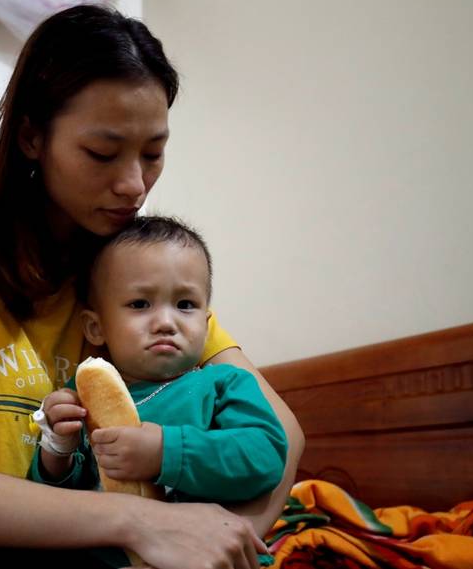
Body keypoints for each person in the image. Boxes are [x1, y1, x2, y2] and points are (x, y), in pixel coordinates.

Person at [0, 3, 304, 569]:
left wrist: (215, 544)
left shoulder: (139, 287)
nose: (135, 185)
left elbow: (283, 436)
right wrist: (148, 523)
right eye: (102, 153)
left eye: (154, 153)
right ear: (32, 137)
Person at [28, 215, 287, 568]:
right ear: (96, 327)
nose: (166, 321)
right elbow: (51, 504)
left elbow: (266, 456)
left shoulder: (223, 382)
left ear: (206, 323)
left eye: (185, 305)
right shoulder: (83, 396)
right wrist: (57, 449)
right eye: (139, 304)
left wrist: (165, 452)